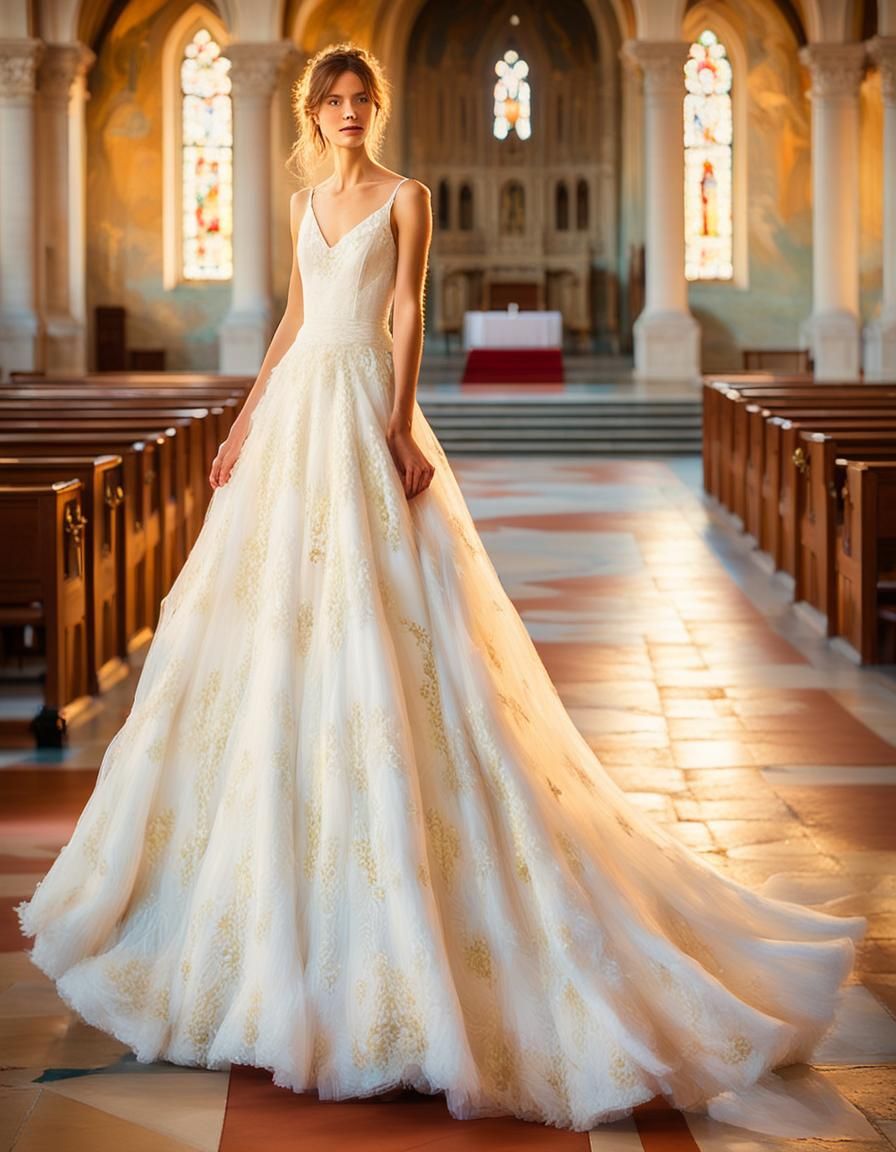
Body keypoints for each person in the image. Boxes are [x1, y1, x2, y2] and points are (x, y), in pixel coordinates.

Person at [18, 42, 866, 1137]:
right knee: (275, 639)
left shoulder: (407, 198)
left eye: (358, 97)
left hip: (365, 406)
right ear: (313, 112)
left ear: (375, 106)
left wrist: (393, 421)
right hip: (290, 423)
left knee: (394, 638)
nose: (345, 111)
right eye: (331, 99)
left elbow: (406, 309)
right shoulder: (301, 200)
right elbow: (289, 318)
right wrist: (239, 422)